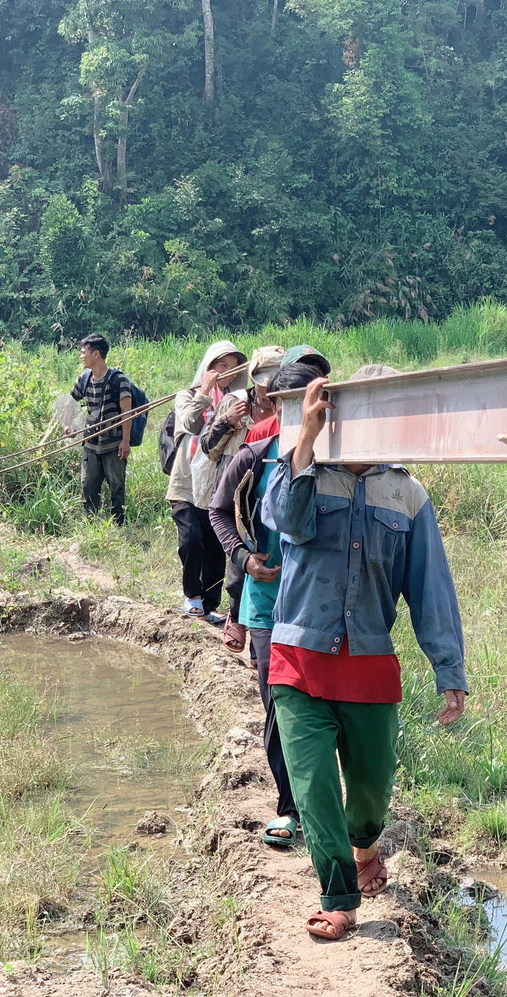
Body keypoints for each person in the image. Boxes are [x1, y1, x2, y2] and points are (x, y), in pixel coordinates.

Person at [264, 369, 468, 942]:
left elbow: (430, 587)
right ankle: (338, 897)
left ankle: (366, 844)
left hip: (370, 664)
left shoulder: (407, 493)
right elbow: (286, 521)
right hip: (298, 658)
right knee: (314, 788)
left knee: (372, 786)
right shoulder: (302, 468)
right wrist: (306, 439)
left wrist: (449, 669)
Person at [208, 355, 330, 849]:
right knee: (279, 702)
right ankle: (289, 806)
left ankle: (319, 799)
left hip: (320, 605)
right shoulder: (255, 456)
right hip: (265, 603)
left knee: (319, 703)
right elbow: (218, 511)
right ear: (277, 404)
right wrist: (243, 557)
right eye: (298, 403)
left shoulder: (340, 458)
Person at [199, 344, 285, 654]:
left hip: (268, 490)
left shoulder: (286, 410)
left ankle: (256, 638)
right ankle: (237, 617)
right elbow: (208, 448)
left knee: (266, 553)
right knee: (240, 559)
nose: (267, 387)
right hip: (237, 490)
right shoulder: (236, 403)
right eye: (262, 379)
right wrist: (226, 422)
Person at [167, 341, 247, 621]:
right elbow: (191, 423)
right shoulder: (186, 396)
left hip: (215, 486)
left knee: (215, 549)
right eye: (221, 365)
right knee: (191, 541)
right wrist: (204, 391)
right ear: (208, 366)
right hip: (185, 484)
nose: (226, 372)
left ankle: (209, 606)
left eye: (232, 368)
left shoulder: (234, 401)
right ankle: (192, 596)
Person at [67, 333, 134, 527]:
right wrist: (67, 424)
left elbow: (127, 413)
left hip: (114, 445)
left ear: (96, 354)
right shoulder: (84, 379)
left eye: (83, 352)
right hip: (91, 444)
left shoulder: (118, 380)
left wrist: (126, 441)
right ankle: (90, 525)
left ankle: (118, 525)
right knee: (88, 486)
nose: (81, 356)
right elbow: (71, 401)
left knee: (116, 486)